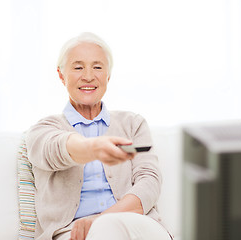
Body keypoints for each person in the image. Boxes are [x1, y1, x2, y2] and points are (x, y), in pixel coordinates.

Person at [26, 32, 172, 240]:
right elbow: (57, 148)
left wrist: (101, 220)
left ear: (108, 75)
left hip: (137, 226)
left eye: (97, 67)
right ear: (61, 75)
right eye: (78, 67)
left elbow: (149, 183)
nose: (88, 76)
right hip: (72, 233)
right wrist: (94, 148)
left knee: (108, 229)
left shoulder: (133, 123)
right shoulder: (44, 129)